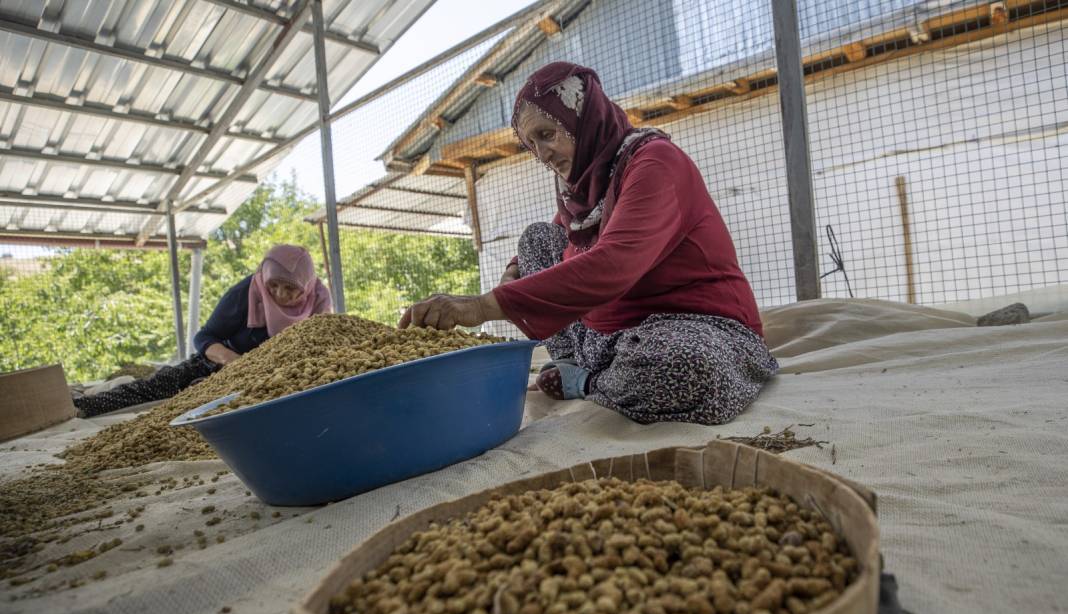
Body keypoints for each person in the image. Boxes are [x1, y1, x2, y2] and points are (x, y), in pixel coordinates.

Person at [399, 62, 777, 425]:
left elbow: (612, 265)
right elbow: (562, 229)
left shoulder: (655, 163)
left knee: (687, 369)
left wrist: (481, 307)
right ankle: (577, 362)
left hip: (695, 325)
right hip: (610, 334)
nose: (542, 155)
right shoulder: (581, 184)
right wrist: (516, 268)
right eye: (532, 144)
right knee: (536, 239)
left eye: (548, 134)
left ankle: (587, 382)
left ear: (587, 118)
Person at [73, 244, 332, 418]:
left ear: (305, 286)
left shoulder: (319, 301)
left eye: (290, 288)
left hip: (277, 379)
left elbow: (322, 343)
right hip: (218, 366)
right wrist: (236, 362)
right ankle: (80, 406)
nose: (278, 294)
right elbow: (205, 337)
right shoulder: (246, 293)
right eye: (273, 285)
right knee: (163, 387)